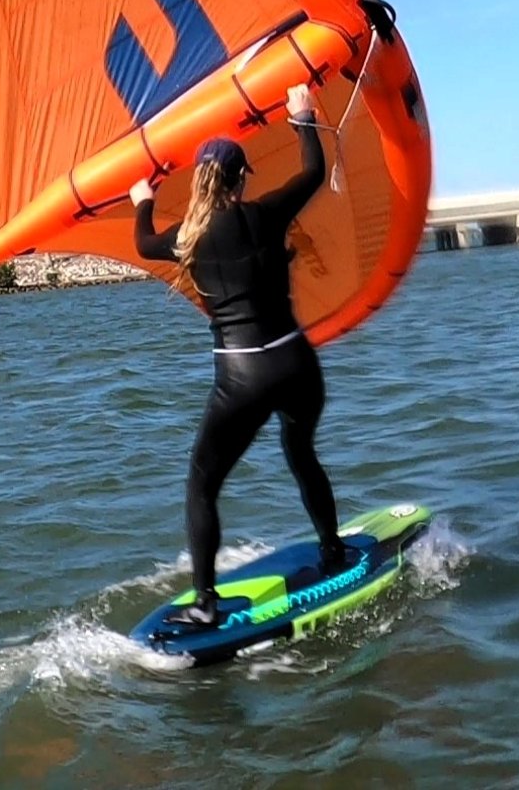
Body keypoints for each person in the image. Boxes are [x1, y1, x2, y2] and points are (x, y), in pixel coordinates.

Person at [129, 83, 356, 628]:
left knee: (202, 483)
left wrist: (143, 199)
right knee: (301, 453)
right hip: (297, 363)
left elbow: (141, 242)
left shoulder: (185, 239)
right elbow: (311, 173)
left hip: (243, 374)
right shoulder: (267, 214)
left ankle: (206, 605)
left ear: (203, 180)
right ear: (240, 178)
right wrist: (301, 117)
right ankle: (332, 550)